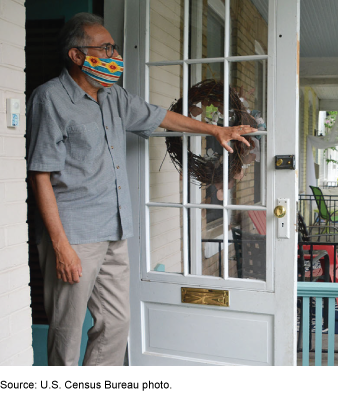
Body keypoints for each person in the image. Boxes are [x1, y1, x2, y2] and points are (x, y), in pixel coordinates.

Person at [26, 13, 256, 366]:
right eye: (105, 48)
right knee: (66, 330)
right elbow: (41, 174)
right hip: (74, 235)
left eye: (114, 48)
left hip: (114, 230)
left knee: (116, 323)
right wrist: (60, 246)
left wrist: (215, 132)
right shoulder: (50, 99)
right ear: (76, 55)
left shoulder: (113, 97)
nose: (115, 56)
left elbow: (163, 116)